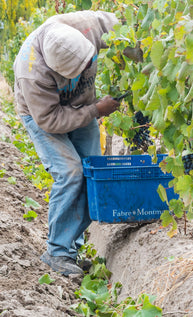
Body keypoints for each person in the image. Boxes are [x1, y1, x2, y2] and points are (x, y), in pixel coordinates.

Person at [13, 10, 121, 276]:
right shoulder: (32, 74)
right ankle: (58, 252)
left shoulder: (87, 26)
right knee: (70, 172)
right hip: (43, 116)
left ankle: (71, 248)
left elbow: (124, 32)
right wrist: (96, 111)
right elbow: (50, 120)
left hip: (81, 105)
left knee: (92, 171)